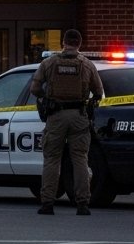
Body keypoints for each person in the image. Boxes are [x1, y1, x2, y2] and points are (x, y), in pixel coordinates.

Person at [27, 29, 103, 215]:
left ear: (63, 42)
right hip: (79, 116)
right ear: (80, 43)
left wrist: (48, 98)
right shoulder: (86, 64)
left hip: (56, 116)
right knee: (80, 159)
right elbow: (99, 92)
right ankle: (83, 204)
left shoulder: (49, 62)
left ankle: (47, 203)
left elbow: (35, 88)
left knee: (52, 159)